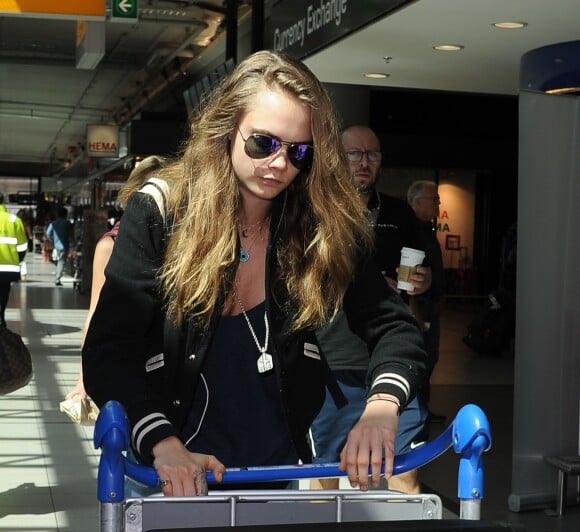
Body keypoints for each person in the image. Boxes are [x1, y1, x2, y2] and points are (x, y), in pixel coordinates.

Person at [83, 50, 426, 497]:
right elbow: (108, 350)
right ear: (227, 129)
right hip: (169, 472)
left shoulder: (319, 225)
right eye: (263, 143)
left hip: (274, 475)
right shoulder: (163, 211)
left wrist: (382, 405)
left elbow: (395, 327)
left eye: (299, 151)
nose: (280, 164)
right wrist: (161, 443)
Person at [311, 125, 430, 494]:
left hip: (391, 359)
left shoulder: (399, 213)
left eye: (373, 154)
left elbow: (424, 272)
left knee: (404, 470)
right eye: (355, 154)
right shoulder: (317, 212)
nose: (364, 163)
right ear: (336, 157)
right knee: (326, 471)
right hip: (334, 361)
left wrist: (421, 283)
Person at [66, 156, 168, 401]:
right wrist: (84, 377)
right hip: (129, 361)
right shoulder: (110, 244)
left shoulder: (185, 243)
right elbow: (95, 314)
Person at [407, 181, 446, 422]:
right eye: (434, 199)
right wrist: (414, 309)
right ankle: (415, 410)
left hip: (430, 304)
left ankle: (422, 407)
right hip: (418, 306)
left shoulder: (427, 231)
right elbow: (408, 273)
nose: (437, 204)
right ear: (418, 201)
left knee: (430, 356)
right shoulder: (410, 231)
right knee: (420, 357)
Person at [0, 195, 28, 327]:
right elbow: (22, 246)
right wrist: (18, 260)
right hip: (8, 267)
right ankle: (1, 316)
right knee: (4, 289)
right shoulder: (13, 220)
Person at [46, 205, 73, 286]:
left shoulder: (53, 223)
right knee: (62, 262)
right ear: (65, 214)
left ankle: (58, 275)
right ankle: (57, 279)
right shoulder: (67, 223)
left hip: (57, 245)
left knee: (60, 261)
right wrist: (73, 244)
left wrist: (52, 240)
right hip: (65, 245)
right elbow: (71, 235)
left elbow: (48, 233)